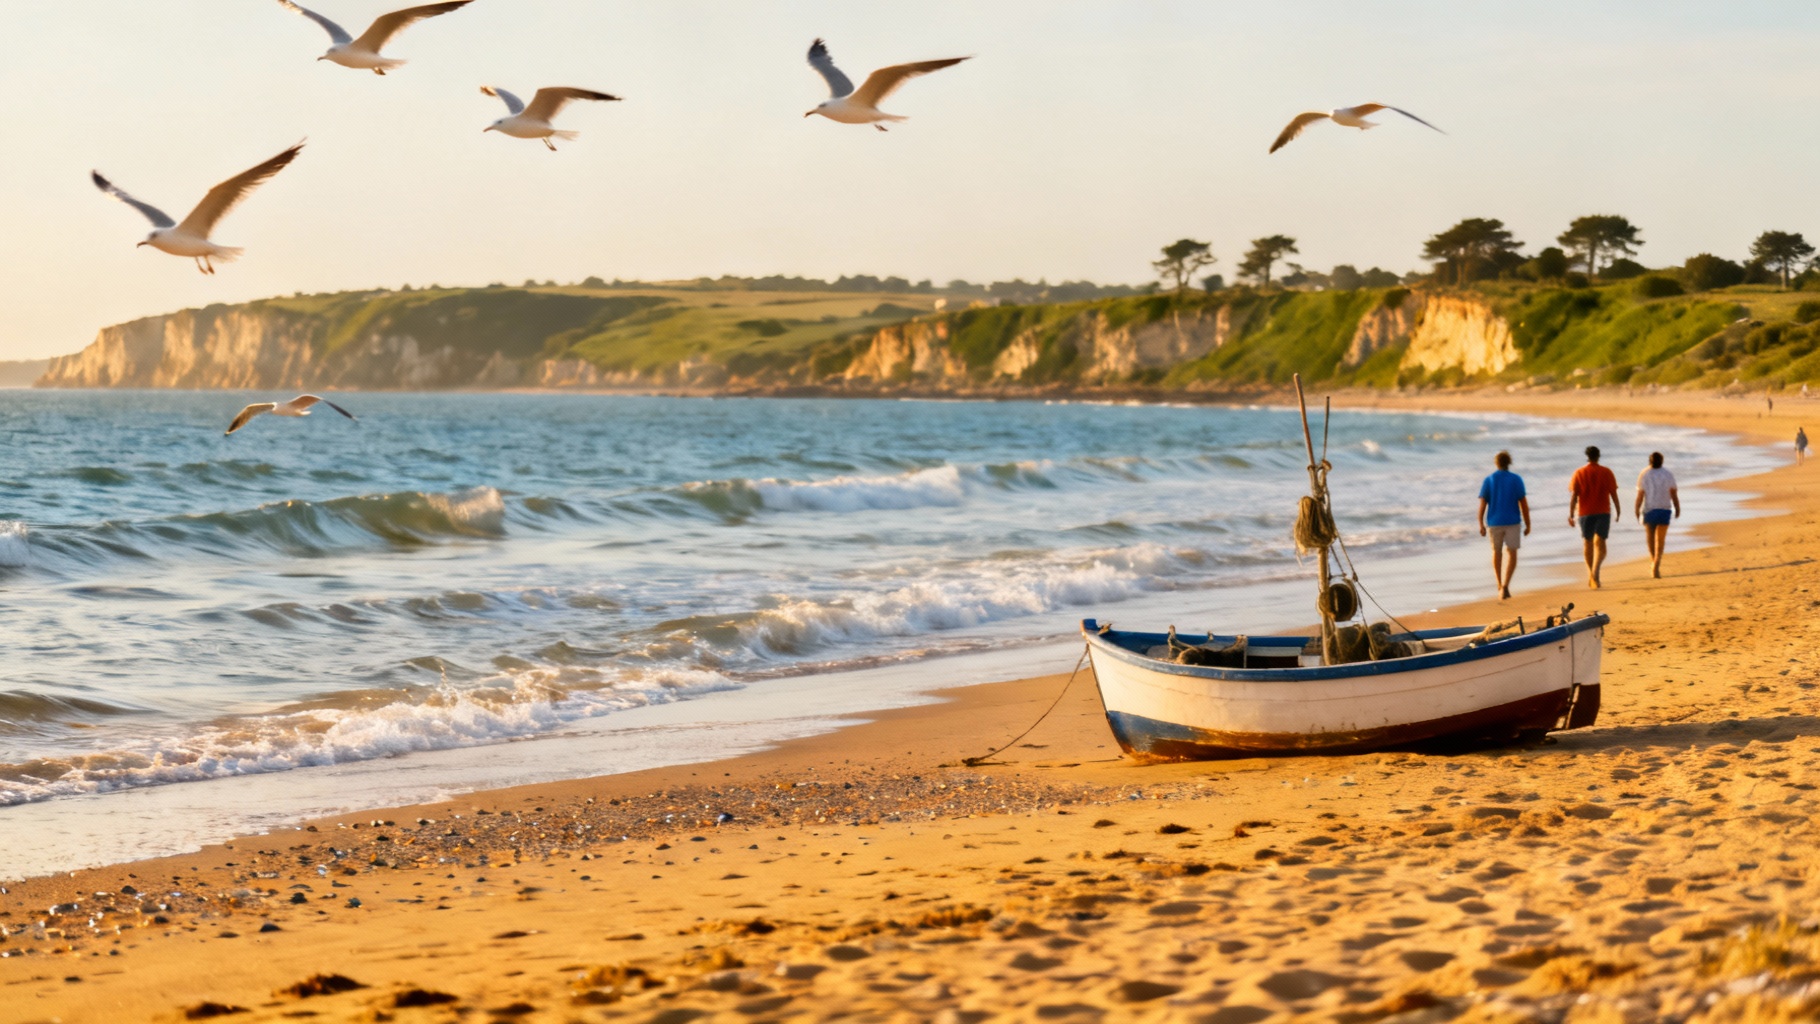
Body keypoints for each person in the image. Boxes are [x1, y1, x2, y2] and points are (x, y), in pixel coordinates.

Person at [1477, 451, 1531, 600]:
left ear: (1496, 463)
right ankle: (1506, 585)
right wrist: (1528, 524)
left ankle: (1499, 584)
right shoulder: (1516, 479)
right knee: (1512, 553)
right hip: (1513, 521)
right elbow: (1523, 504)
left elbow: (1482, 504)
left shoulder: (1489, 480)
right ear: (1509, 462)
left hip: (1494, 522)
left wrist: (1481, 523)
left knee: (1497, 553)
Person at [1568, 445, 1621, 589]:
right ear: (1598, 456)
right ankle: (1595, 572)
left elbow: (1574, 496)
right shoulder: (1606, 472)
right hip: (1603, 512)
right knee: (1601, 544)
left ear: (1587, 456)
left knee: (1588, 543)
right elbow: (1613, 494)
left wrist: (1571, 514)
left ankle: (1591, 574)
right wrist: (1618, 509)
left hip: (1584, 513)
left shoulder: (1579, 473)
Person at [1634, 451, 1680, 579]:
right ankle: (1656, 564)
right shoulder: (1668, 474)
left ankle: (1653, 561)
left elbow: (1640, 494)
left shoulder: (1644, 473)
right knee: (1660, 540)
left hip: (1649, 510)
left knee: (1650, 538)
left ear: (1650, 461)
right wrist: (1677, 507)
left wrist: (1636, 508)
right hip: (1664, 509)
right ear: (1662, 461)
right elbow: (1673, 493)